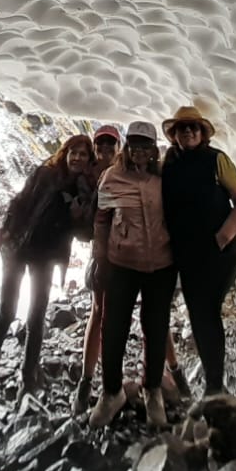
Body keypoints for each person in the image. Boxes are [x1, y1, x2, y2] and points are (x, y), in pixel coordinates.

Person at [0, 133, 97, 396]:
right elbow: (20, 202)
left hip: (46, 256)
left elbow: (84, 234)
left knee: (37, 315)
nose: (77, 158)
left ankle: (29, 376)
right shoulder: (44, 174)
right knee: (7, 311)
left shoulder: (83, 191)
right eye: (74, 153)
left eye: (83, 155)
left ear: (88, 160)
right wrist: (5, 230)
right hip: (17, 249)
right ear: (66, 153)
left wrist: (78, 216)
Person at [88, 121, 177, 428]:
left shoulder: (164, 179)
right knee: (113, 329)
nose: (139, 152)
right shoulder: (113, 177)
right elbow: (102, 221)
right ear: (127, 148)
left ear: (153, 150)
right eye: (134, 146)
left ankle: (152, 389)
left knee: (155, 327)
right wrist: (99, 259)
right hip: (121, 264)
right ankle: (111, 392)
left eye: (145, 146)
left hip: (161, 265)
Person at [159, 106, 236, 396]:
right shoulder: (168, 165)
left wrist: (222, 237)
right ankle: (214, 383)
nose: (188, 131)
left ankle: (214, 385)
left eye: (193, 127)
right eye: (182, 128)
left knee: (205, 311)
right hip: (188, 253)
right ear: (174, 135)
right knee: (200, 313)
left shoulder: (217, 160)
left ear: (202, 133)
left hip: (222, 250)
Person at [73, 124, 121, 415]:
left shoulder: (127, 172)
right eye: (100, 146)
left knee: (149, 315)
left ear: (118, 147)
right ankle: (87, 381)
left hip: (132, 252)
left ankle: (167, 375)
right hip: (103, 254)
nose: (105, 150)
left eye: (110, 145)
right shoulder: (87, 178)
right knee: (99, 312)